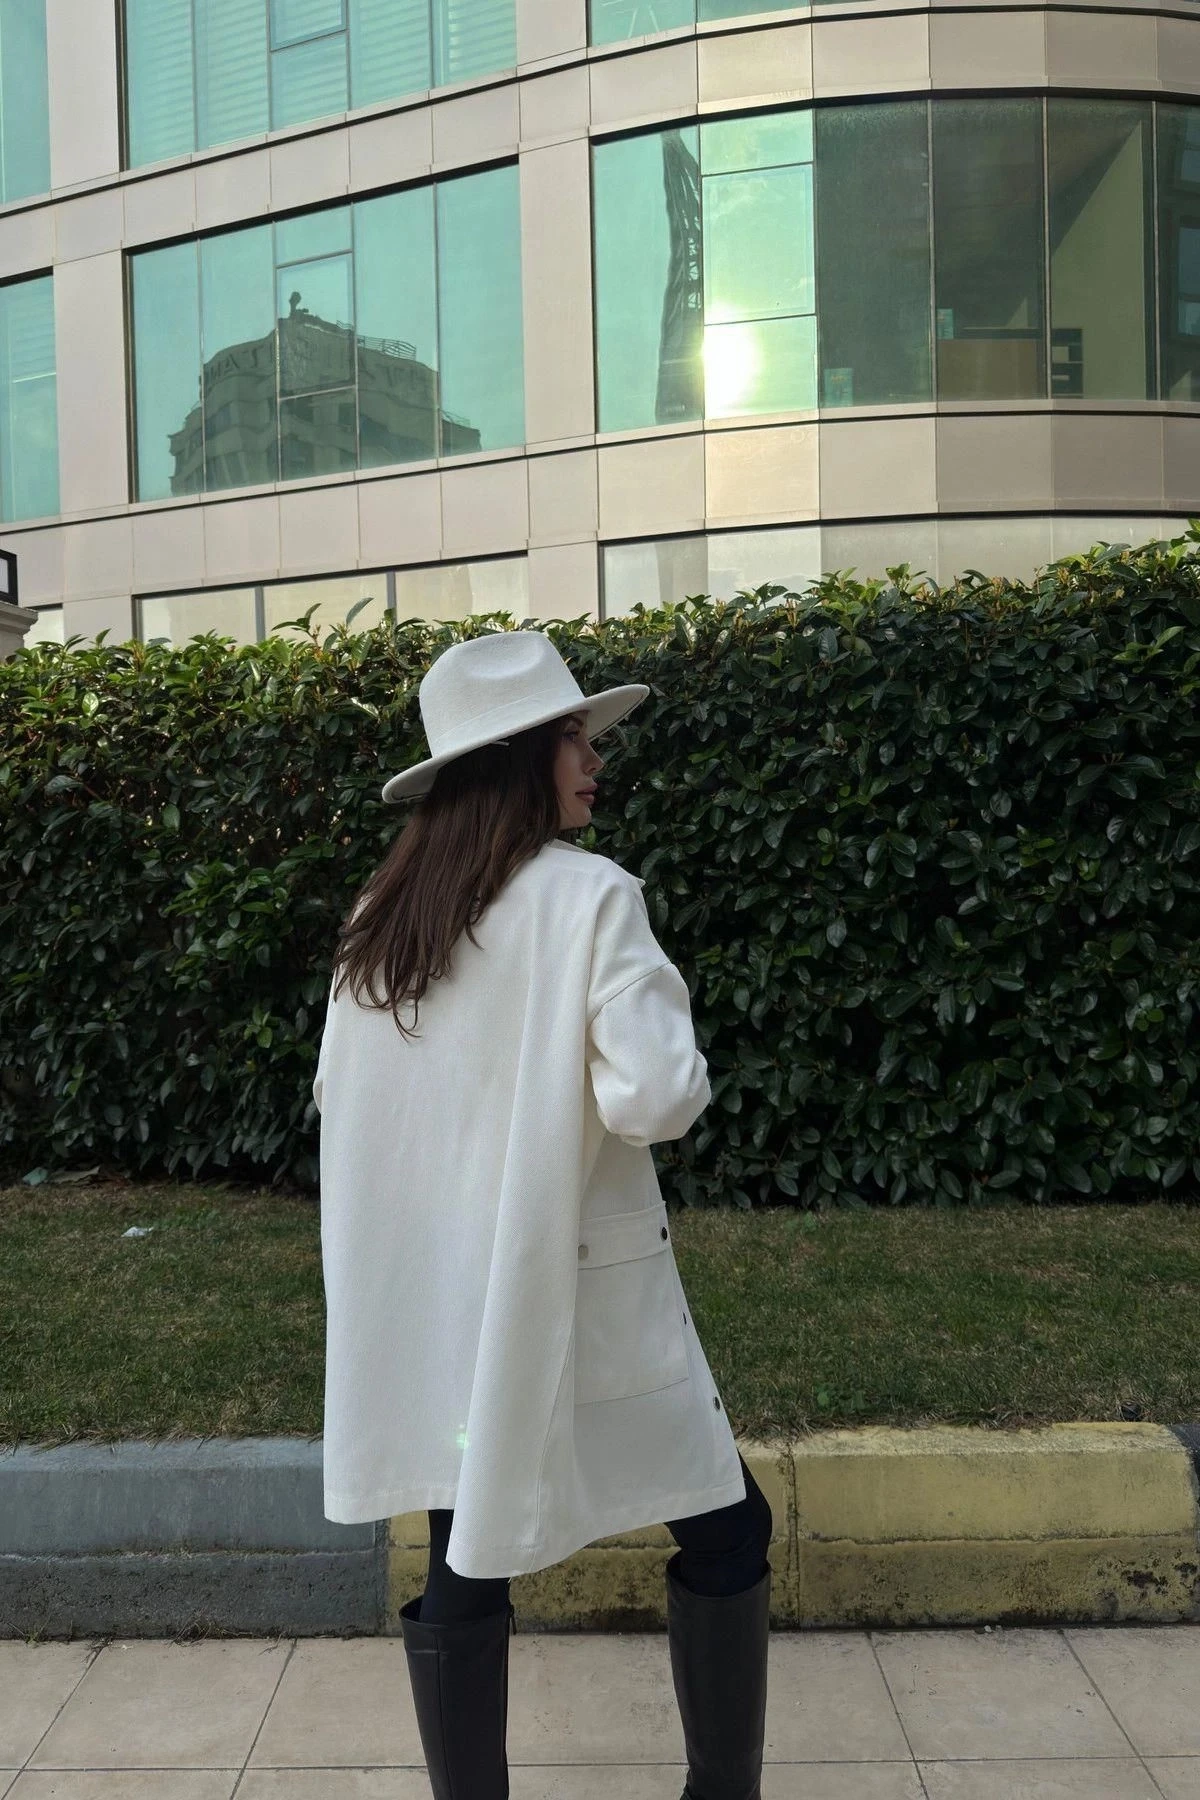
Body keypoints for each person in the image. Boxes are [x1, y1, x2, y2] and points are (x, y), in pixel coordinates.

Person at [313, 627, 773, 1800]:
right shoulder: (591, 897)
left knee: (465, 1554)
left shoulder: (382, 920)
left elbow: (353, 1113)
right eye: (572, 737)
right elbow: (657, 1099)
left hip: (444, 1314)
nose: (594, 758)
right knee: (727, 1531)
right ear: (517, 759)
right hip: (580, 1300)